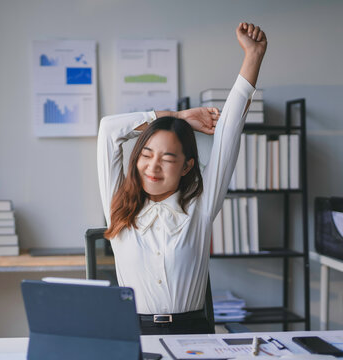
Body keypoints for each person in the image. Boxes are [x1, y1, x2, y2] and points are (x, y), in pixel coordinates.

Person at [97, 22, 267, 335]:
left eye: (168, 158)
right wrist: (175, 117)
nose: (153, 166)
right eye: (146, 155)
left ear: (187, 166)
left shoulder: (200, 208)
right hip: (131, 335)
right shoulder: (118, 207)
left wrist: (253, 56)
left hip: (193, 337)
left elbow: (229, 133)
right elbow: (109, 130)